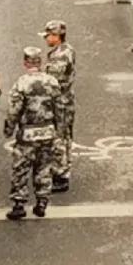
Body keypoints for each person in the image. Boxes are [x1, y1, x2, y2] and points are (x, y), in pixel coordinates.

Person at [3, 46, 62, 221]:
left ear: (25, 63)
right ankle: (42, 202)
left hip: (28, 133)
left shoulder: (21, 83)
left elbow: (14, 110)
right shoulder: (52, 82)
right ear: (41, 62)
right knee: (44, 167)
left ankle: (19, 204)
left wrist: (9, 128)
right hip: (48, 131)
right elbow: (60, 107)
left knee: (21, 168)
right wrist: (59, 129)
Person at [41, 22, 76, 193]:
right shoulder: (66, 50)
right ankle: (63, 168)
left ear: (56, 36)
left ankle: (61, 175)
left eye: (48, 35)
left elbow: (53, 82)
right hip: (66, 101)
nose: (46, 39)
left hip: (60, 104)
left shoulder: (60, 56)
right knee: (65, 136)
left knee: (59, 139)